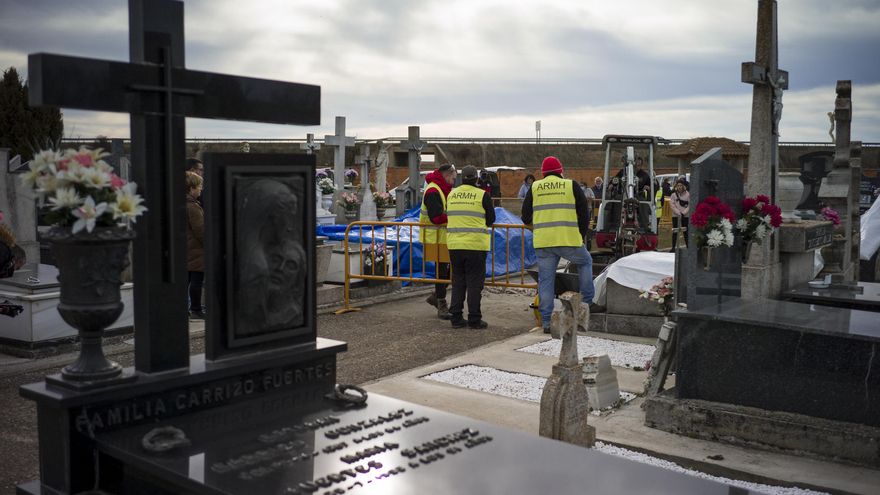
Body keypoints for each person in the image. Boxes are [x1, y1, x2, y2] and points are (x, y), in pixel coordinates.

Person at [521, 156, 594, 334]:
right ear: (561, 171)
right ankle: (586, 306)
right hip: (568, 240)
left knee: (546, 280)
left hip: (544, 242)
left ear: (543, 173)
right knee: (585, 262)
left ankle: (546, 322)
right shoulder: (571, 185)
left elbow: (525, 217)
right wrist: (581, 235)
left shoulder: (535, 187)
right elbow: (584, 213)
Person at [446, 165, 495, 329]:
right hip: (475, 245)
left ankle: (456, 318)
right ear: (476, 178)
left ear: (461, 178)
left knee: (458, 282)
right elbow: (491, 219)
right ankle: (474, 319)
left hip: (454, 245)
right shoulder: (482, 195)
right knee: (474, 283)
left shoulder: (452, 194)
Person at [419, 163, 456, 320]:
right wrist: (456, 216)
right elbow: (436, 218)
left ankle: (436, 297)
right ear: (446, 175)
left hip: (440, 237)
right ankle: (441, 303)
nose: (454, 182)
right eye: (453, 178)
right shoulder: (434, 191)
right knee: (441, 272)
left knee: (446, 272)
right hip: (434, 237)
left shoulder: (440, 188)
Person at [185, 171, 206, 320]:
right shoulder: (193, 207)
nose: (201, 189)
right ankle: (196, 309)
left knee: (186, 281)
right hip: (197, 250)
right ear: (191, 188)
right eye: (199, 186)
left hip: (187, 248)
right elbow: (201, 230)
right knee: (197, 281)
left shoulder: (181, 204)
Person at [670, 179, 690, 248]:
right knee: (675, 231)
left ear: (683, 186)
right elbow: (672, 205)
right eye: (678, 185)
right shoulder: (673, 195)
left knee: (686, 232)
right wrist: (678, 213)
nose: (679, 187)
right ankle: (673, 248)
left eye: (681, 185)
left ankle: (688, 247)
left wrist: (683, 213)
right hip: (675, 215)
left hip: (685, 216)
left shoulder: (688, 194)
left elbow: (690, 205)